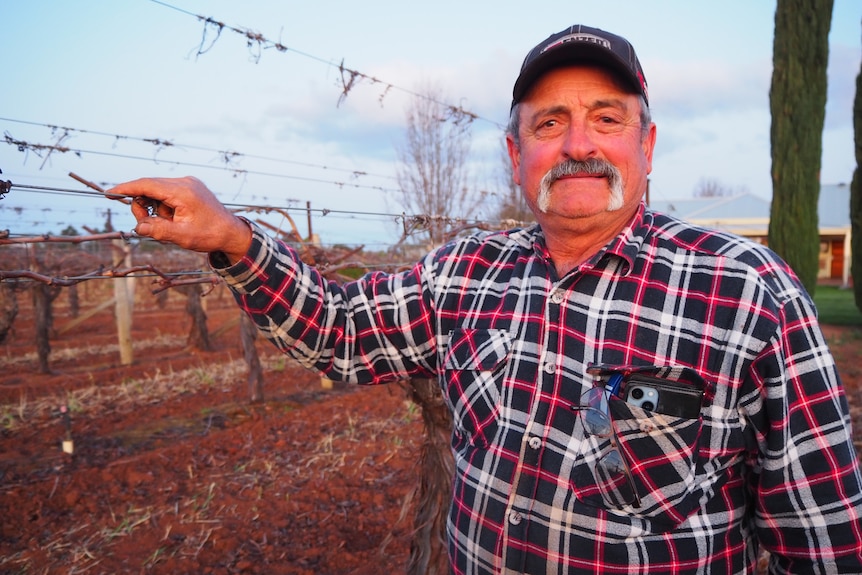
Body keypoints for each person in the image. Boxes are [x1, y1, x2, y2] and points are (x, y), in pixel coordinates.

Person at [110, 24, 862, 575]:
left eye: (606, 118)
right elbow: (340, 330)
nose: (578, 144)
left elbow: (820, 535)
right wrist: (234, 240)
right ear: (515, 155)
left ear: (648, 144)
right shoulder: (467, 271)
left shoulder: (746, 290)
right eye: (549, 123)